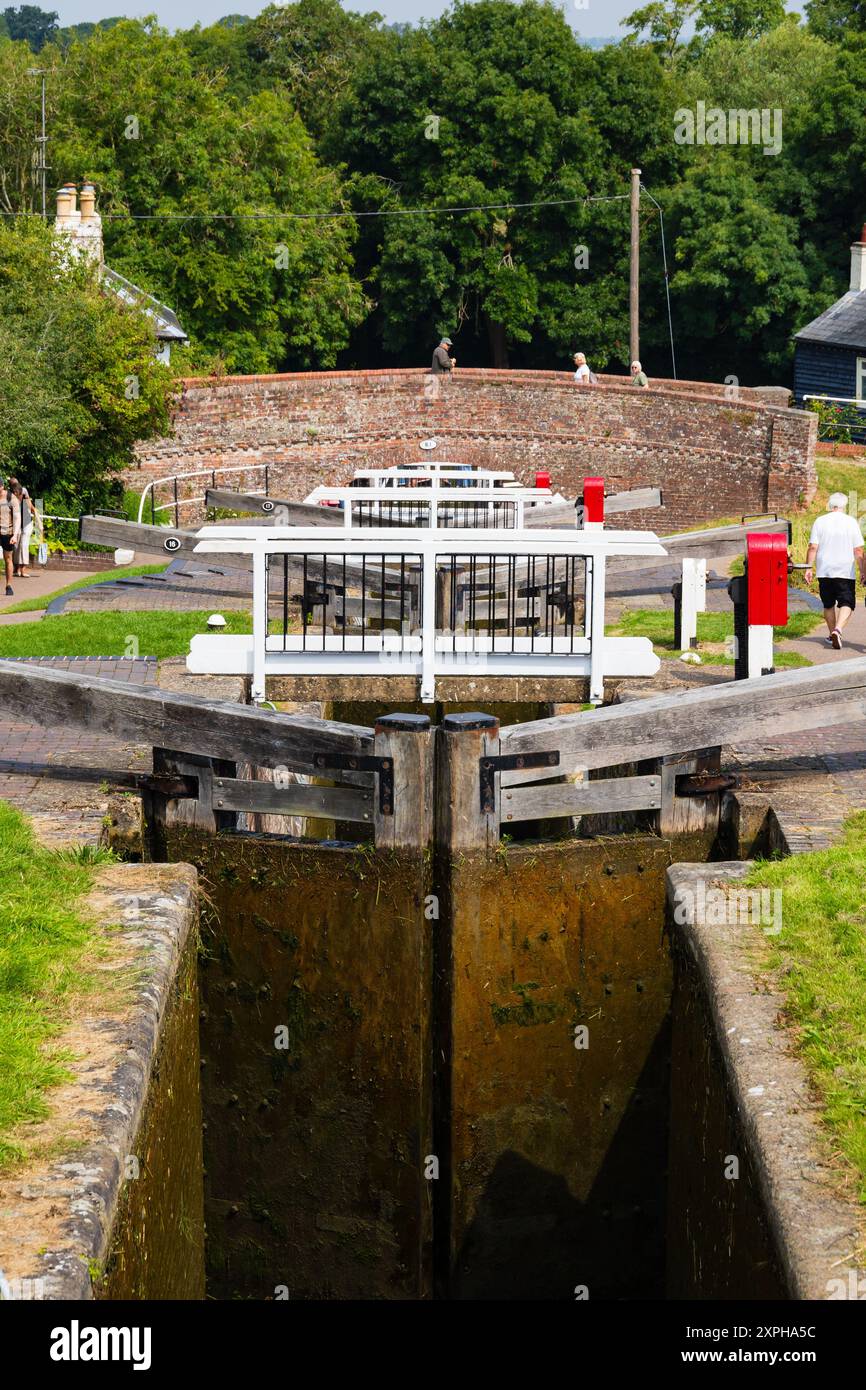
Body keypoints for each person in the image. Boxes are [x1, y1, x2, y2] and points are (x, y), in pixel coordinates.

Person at [804, 492, 865, 650]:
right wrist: (863, 571)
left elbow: (813, 547)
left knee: (828, 604)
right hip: (845, 569)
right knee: (847, 602)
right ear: (844, 506)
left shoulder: (820, 521)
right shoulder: (851, 522)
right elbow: (858, 550)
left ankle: (832, 635)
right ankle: (838, 630)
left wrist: (808, 568)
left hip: (825, 569)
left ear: (830, 505)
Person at [0, 478, 21, 596]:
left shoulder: (10, 498)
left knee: (8, 559)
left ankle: (9, 585)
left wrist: (15, 534)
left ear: (2, 486)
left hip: (7, 532)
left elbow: (18, 518)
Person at [10, 478, 34, 578]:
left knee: (24, 545)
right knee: (16, 546)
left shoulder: (24, 491)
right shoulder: (9, 496)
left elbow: (29, 505)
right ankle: (16, 569)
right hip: (17, 522)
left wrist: (36, 513)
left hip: (26, 520)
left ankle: (23, 570)